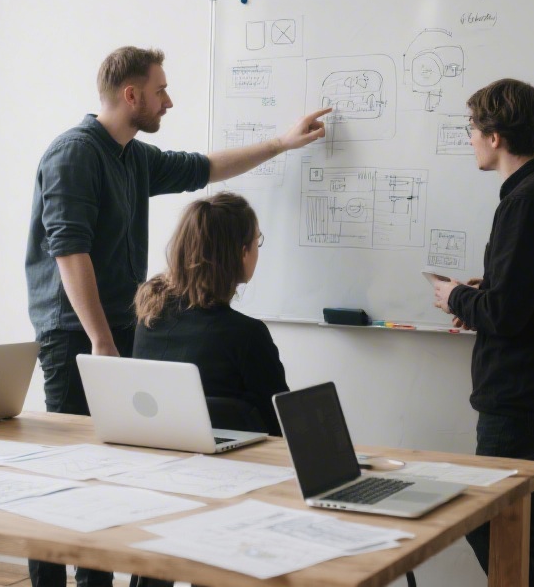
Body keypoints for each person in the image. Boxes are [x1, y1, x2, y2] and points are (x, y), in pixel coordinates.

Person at [24, 46, 326, 587]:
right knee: (66, 474)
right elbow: (70, 253)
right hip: (76, 333)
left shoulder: (133, 156)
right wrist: (102, 341)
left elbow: (205, 169)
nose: (170, 101)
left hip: (116, 330)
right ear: (130, 94)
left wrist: (282, 142)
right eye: (161, 90)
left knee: (118, 474)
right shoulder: (74, 154)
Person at [431, 78, 534, 587]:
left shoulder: (529, 201)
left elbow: (508, 314)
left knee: (498, 521)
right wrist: (488, 289)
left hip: (522, 397)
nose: (471, 139)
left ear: (495, 135)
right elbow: (526, 295)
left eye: (473, 129)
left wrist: (456, 296)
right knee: (528, 523)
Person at [134, 192, 288, 436]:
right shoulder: (247, 335)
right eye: (256, 242)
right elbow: (283, 422)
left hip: (162, 456)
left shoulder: (150, 319)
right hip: (238, 465)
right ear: (242, 252)